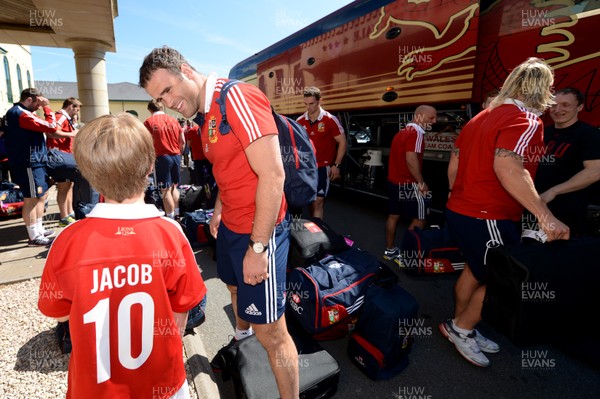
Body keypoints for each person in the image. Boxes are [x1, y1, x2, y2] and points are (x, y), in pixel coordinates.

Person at [139, 46, 299, 399]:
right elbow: (231, 166)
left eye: (167, 90)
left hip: (261, 232)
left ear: (185, 69)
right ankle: (243, 341)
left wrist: (258, 248)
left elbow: (273, 175)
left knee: (272, 333)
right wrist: (219, 209)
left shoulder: (236, 96)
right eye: (158, 98)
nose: (167, 102)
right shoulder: (206, 113)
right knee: (234, 289)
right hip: (232, 226)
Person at [38, 113, 207, 399]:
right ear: (151, 165)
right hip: (162, 383)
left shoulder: (67, 240)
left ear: (87, 172)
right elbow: (182, 313)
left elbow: (59, 310)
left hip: (94, 388)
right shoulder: (171, 234)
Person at [441, 57, 570, 367]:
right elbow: (509, 166)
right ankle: (461, 328)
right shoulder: (525, 119)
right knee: (503, 281)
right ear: (543, 88)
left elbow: (455, 162)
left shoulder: (482, 116)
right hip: (488, 214)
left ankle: (461, 325)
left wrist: (456, 194)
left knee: (475, 270)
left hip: (463, 210)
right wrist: (545, 215)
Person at [534, 87, 600, 236]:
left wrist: (554, 191)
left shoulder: (590, 134)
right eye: (553, 105)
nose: (557, 110)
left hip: (570, 212)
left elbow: (595, 171)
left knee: (564, 256)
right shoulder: (541, 132)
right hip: (537, 209)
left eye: (565, 105)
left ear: (580, 107)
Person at [2, 88, 62, 246]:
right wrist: (48, 108)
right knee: (31, 199)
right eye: (37, 103)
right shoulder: (19, 113)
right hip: (28, 162)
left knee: (40, 196)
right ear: (29, 99)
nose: (39, 106)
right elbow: (51, 126)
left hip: (35, 161)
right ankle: (33, 235)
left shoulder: (23, 113)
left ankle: (39, 229)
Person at [384, 105, 437, 264]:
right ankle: (406, 255)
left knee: (393, 216)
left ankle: (390, 251)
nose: (434, 121)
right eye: (431, 118)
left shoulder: (403, 132)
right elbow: (411, 158)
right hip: (409, 184)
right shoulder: (416, 133)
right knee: (421, 218)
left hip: (394, 182)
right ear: (419, 116)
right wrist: (421, 183)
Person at [296, 86, 346, 219]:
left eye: (311, 104)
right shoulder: (300, 121)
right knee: (309, 202)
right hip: (305, 168)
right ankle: (310, 233)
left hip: (322, 168)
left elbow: (342, 142)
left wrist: (337, 165)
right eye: (306, 104)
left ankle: (318, 233)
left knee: (318, 202)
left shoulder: (330, 120)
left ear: (320, 101)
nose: (308, 107)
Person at [143, 99, 185, 219]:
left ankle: (170, 217)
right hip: (176, 155)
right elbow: (182, 139)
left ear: (150, 110)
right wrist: (179, 154)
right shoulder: (173, 120)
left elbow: (145, 143)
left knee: (165, 190)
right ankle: (177, 214)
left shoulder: (148, 122)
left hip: (162, 157)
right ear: (162, 108)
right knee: (174, 187)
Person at [46, 97, 82, 226]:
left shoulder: (65, 118)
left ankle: (69, 213)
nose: (76, 113)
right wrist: (71, 134)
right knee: (63, 187)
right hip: (60, 156)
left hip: (65, 156)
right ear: (71, 106)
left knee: (68, 185)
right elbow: (51, 132)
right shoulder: (60, 116)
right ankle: (64, 216)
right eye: (76, 110)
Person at [185, 120, 215, 205]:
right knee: (211, 175)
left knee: (200, 178)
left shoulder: (191, 131)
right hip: (207, 156)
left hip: (197, 157)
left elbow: (188, 145)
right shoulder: (206, 129)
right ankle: (210, 189)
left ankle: (203, 194)